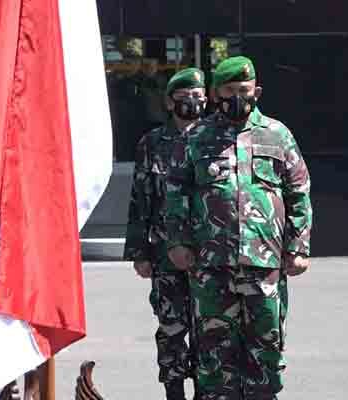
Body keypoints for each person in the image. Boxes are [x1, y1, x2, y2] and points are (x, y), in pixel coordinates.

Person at [166, 56, 312, 399]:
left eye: (244, 90)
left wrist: (298, 247)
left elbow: (299, 191)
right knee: (213, 357)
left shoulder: (277, 134)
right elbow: (176, 191)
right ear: (216, 94)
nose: (237, 97)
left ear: (256, 92)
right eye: (229, 90)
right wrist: (177, 242)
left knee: (267, 350)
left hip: (264, 264)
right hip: (210, 266)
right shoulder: (197, 137)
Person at [124, 67, 208, 400]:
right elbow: (139, 199)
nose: (192, 102)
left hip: (209, 253)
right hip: (164, 253)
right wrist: (139, 252)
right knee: (171, 327)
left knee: (210, 330)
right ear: (170, 102)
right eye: (184, 97)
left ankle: (205, 391)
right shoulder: (152, 143)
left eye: (198, 97)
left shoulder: (216, 139)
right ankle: (174, 391)